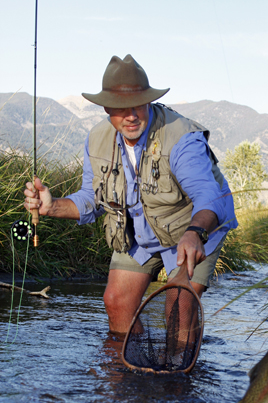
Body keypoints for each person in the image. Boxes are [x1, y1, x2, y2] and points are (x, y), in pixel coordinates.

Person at [24, 54, 237, 333]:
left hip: (195, 229)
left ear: (149, 101)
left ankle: (181, 376)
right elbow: (91, 198)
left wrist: (195, 232)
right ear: (106, 109)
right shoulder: (97, 140)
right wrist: (52, 207)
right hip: (141, 233)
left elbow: (209, 196)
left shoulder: (181, 137)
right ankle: (126, 374)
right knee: (115, 300)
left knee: (178, 308)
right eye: (121, 107)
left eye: (138, 104)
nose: (132, 115)